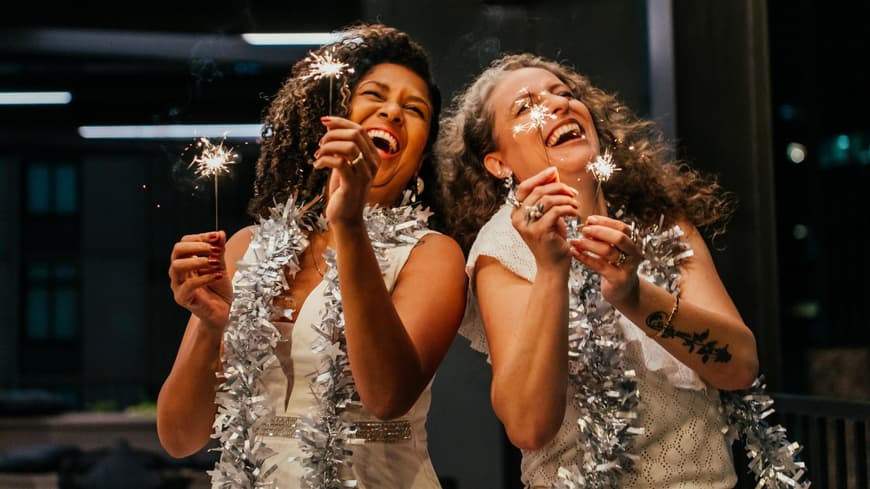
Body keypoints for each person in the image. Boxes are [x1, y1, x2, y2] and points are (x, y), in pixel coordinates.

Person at [157, 24, 467, 488]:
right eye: (375, 95)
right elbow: (180, 439)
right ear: (331, 118)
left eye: (414, 109)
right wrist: (210, 326)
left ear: (421, 156)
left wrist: (350, 223)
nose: (392, 111)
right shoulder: (247, 247)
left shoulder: (432, 255)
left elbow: (386, 396)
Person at [435, 53, 760, 487]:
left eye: (564, 94)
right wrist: (552, 272)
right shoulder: (502, 251)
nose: (558, 105)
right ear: (499, 164)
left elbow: (739, 367)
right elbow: (528, 426)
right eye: (526, 106)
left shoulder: (659, 220)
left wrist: (633, 295)